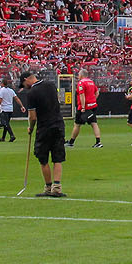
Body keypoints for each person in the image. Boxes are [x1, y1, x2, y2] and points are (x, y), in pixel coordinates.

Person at [20, 70, 66, 198]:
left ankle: (48, 187)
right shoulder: (51, 85)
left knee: (43, 158)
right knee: (57, 157)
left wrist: (31, 128)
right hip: (58, 124)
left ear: (26, 79)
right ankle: (57, 188)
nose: (24, 87)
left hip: (44, 127)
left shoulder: (31, 93)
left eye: (23, 84)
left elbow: (33, 117)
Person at [68, 74, 102, 148]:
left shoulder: (81, 83)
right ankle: (98, 142)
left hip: (84, 107)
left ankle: (71, 142)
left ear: (81, 75)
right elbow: (97, 93)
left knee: (77, 124)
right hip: (93, 106)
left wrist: (83, 107)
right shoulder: (91, 82)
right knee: (94, 123)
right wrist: (93, 100)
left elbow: (82, 95)